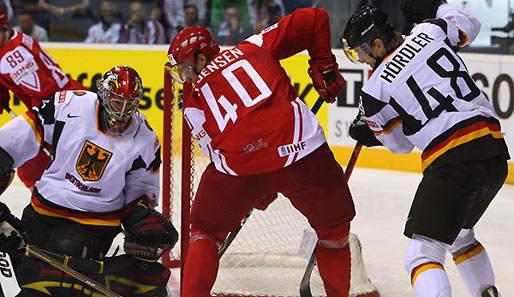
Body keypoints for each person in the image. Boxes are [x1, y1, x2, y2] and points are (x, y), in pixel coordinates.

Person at [168, 8, 352, 297]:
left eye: (184, 66)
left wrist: (254, 185)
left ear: (202, 58)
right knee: (334, 233)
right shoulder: (253, 45)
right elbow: (316, 18)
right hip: (302, 151)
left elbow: (216, 153)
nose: (183, 74)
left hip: (241, 168)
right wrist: (324, 65)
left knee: (205, 232)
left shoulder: (193, 99)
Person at [342, 2, 510, 297]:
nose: (363, 59)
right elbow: (469, 24)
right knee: (460, 236)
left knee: (422, 255)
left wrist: (372, 134)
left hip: (453, 159)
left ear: (378, 44)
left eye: (361, 52)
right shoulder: (430, 30)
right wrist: (439, 6)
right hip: (494, 151)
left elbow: (399, 145)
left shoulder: (374, 92)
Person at [0, 65, 178, 296]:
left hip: (93, 227)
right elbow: (17, 137)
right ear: (104, 95)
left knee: (43, 285)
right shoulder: (68, 105)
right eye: (117, 102)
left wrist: (141, 220)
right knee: (21, 277)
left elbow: (140, 195)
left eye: (129, 104)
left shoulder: (146, 139)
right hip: (41, 213)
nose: (123, 111)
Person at [0, 7, 87, 192]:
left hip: (64, 106)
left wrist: (47, 130)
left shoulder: (13, 56)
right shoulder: (14, 40)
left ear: (4, 29)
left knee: (29, 164)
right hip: (68, 98)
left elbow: (44, 92)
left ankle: (46, 209)